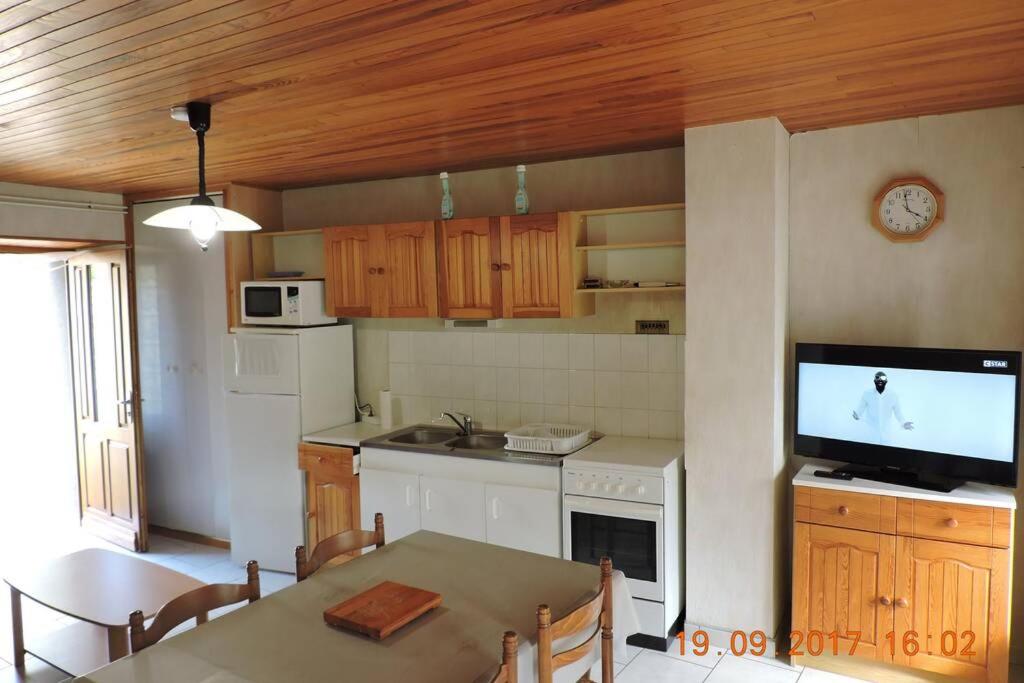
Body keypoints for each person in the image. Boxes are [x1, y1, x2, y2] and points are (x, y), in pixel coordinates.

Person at [852, 371, 914, 445]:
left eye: (883, 378)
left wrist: (903, 423)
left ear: (886, 381)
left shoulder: (893, 395)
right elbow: (860, 409)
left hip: (886, 436)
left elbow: (898, 413)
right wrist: (857, 415)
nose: (880, 380)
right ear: (874, 380)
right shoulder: (867, 394)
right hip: (870, 435)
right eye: (877, 378)